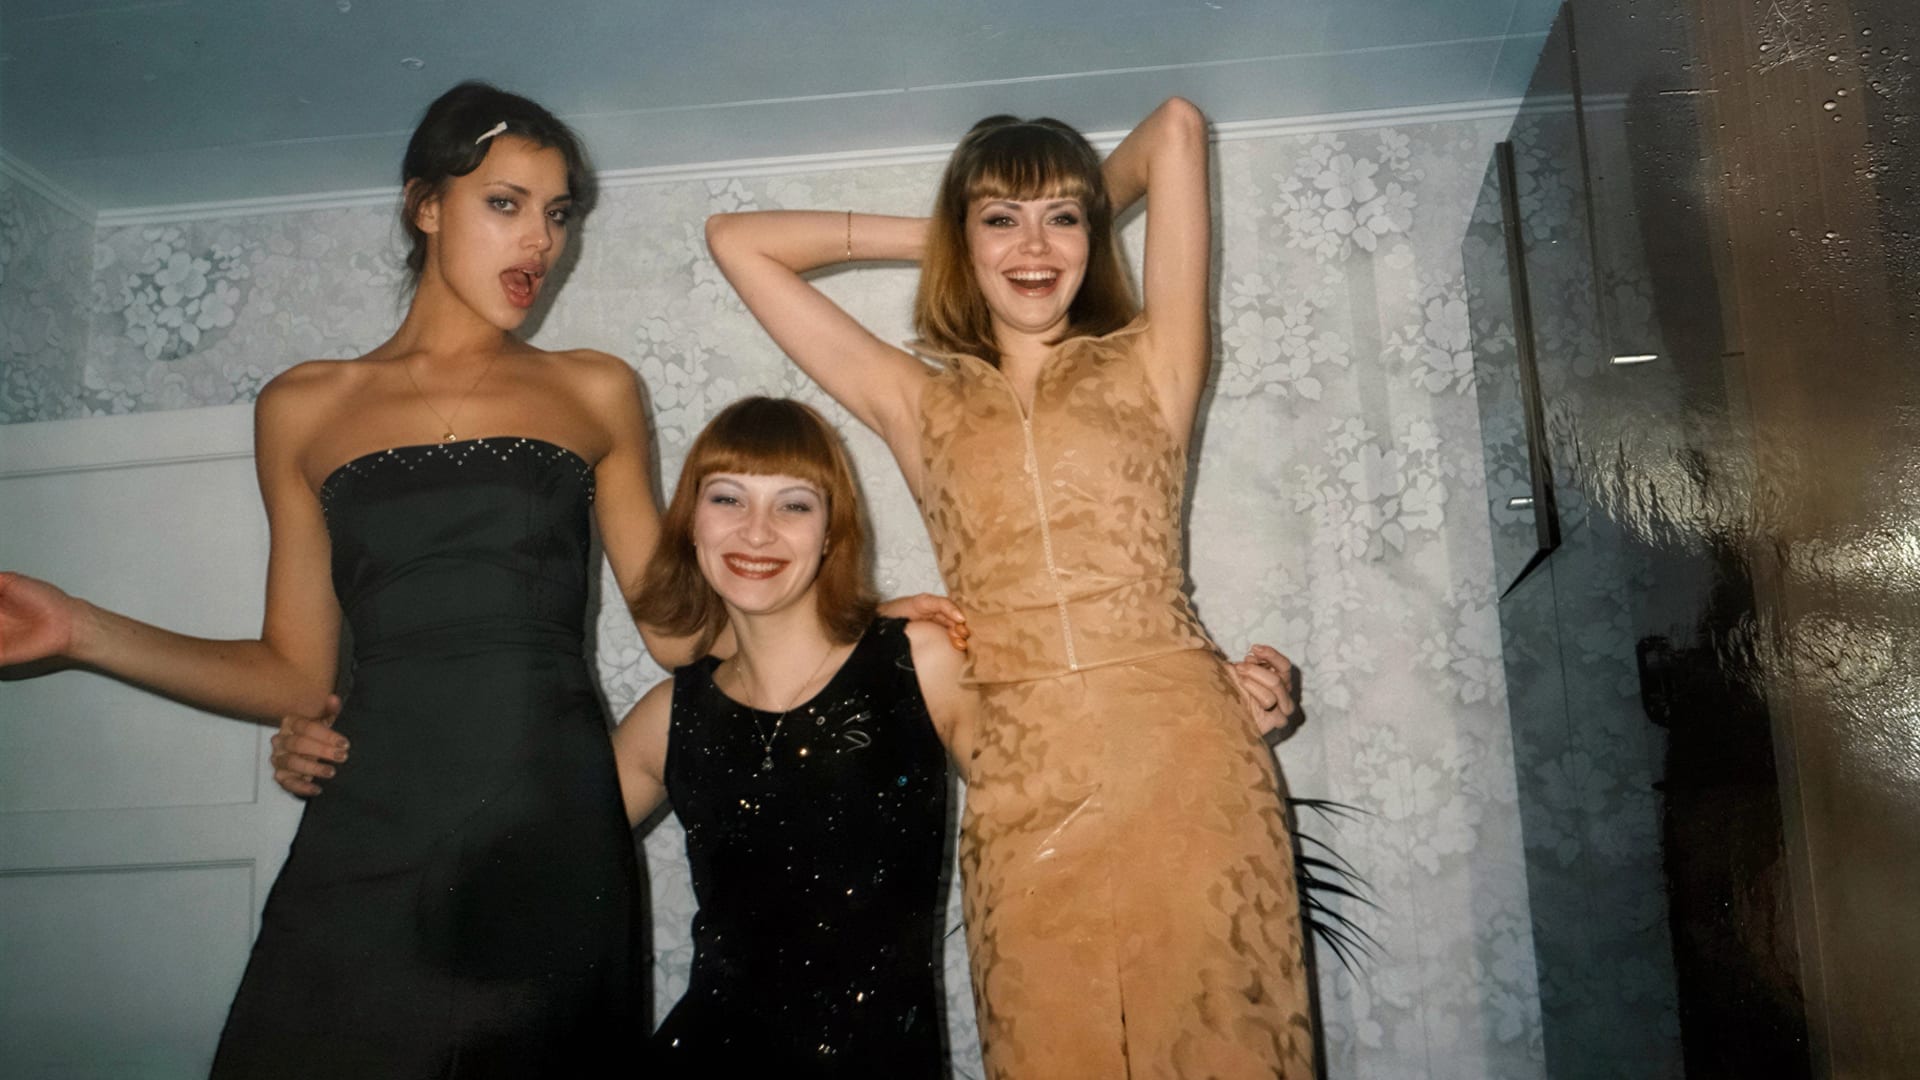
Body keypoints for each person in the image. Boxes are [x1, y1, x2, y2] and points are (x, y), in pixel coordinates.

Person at [0, 82, 659, 1076]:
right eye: (505, 203)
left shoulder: (594, 386)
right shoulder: (302, 406)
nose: (540, 241)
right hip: (372, 823)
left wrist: (839, 619)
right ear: (425, 204)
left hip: (547, 824)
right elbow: (296, 675)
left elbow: (681, 631)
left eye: (558, 214)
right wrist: (80, 631)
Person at [704, 99, 1316, 1075]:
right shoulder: (917, 401)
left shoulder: (1155, 361)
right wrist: (950, 239)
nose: (1035, 246)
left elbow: (1175, 129)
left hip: (1189, 765)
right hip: (1021, 784)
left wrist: (1043, 214)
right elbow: (737, 241)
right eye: (1002, 219)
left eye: (1062, 218)